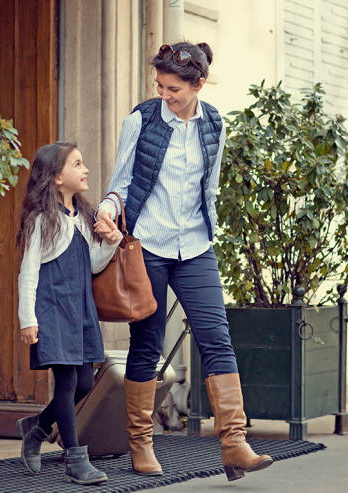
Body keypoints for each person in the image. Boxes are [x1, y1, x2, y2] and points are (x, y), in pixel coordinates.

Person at [96, 42, 273, 482]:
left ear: (199, 84)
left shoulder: (214, 123)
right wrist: (105, 207)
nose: (165, 94)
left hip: (195, 246)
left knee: (216, 338)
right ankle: (140, 442)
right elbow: (122, 181)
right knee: (147, 344)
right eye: (160, 86)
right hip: (149, 245)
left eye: (173, 88)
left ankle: (234, 443)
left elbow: (208, 187)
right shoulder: (140, 120)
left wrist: (209, 229)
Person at [16, 142, 122, 485]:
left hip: (80, 309)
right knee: (67, 381)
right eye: (78, 164)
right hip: (52, 308)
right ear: (58, 177)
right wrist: (27, 318)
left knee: (86, 382)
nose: (86, 169)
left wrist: (111, 241)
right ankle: (76, 462)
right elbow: (28, 272)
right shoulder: (41, 219)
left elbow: (92, 264)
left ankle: (37, 428)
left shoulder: (83, 216)